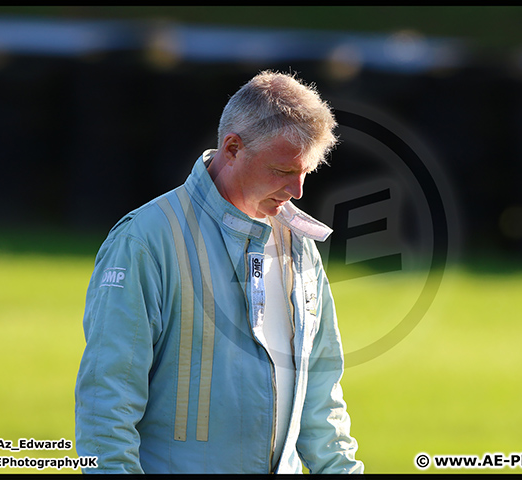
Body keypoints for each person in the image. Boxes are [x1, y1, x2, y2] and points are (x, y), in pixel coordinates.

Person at [74, 71, 364, 474]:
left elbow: (322, 401)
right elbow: (107, 403)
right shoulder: (144, 240)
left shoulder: (301, 246)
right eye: (282, 171)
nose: (298, 190)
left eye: (306, 173)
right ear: (232, 148)